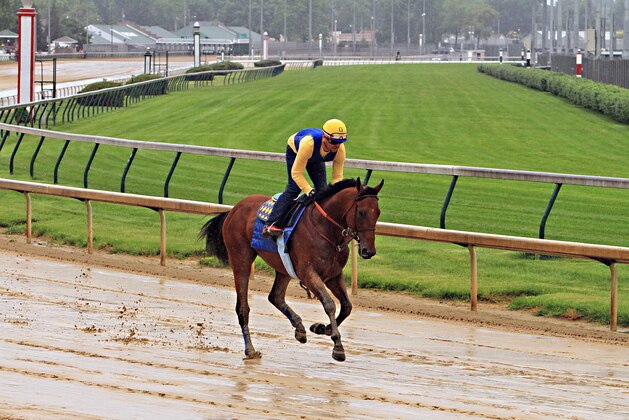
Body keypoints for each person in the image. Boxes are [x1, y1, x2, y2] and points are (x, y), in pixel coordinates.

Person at [262, 119, 348, 237]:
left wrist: (337, 194)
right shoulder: (308, 144)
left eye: (341, 141)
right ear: (324, 138)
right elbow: (296, 173)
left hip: (314, 155)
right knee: (294, 188)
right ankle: (270, 224)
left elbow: (337, 177)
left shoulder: (340, 149)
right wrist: (309, 190)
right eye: (333, 142)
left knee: (323, 190)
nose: (337, 145)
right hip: (297, 150)